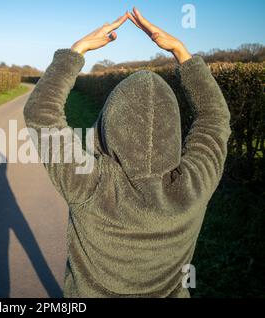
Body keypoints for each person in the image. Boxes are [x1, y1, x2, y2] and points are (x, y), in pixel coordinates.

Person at [23, 8, 231, 298]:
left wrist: (77, 50)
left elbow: (40, 113)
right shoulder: (194, 186)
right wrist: (180, 51)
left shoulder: (91, 184)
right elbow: (215, 119)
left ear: (109, 124)